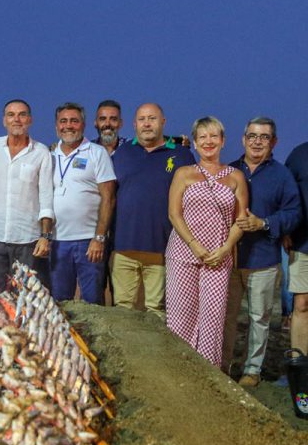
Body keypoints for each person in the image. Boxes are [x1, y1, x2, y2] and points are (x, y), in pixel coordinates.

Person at [221, 118, 301, 385]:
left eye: (264, 137)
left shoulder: (282, 175)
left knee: (259, 318)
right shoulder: (228, 170)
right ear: (243, 139)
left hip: (263, 258)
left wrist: (264, 223)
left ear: (273, 142)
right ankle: (221, 365)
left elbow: (293, 212)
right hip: (229, 259)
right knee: (225, 316)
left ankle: (252, 370)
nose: (257, 142)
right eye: (252, 136)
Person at [165, 117, 248, 366]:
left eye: (213, 136)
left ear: (222, 141)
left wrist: (226, 249)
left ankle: (208, 373)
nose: (208, 141)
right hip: (183, 254)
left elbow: (241, 219)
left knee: (213, 318)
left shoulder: (235, 176)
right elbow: (174, 214)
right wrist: (194, 245)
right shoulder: (183, 173)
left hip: (218, 258)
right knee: (181, 316)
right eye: (202, 137)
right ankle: (180, 370)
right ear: (195, 142)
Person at [111, 103, 195, 317]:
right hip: (124, 248)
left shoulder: (181, 155)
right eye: (142, 119)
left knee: (156, 312)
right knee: (122, 310)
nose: (147, 124)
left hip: (162, 248)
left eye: (152, 118)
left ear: (163, 122)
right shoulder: (122, 153)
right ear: (134, 124)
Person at [0, 99, 54, 291]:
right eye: (11, 115)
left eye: (22, 115)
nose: (17, 119)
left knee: (26, 296)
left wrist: (45, 236)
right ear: (4, 120)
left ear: (30, 120)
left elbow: (46, 197)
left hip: (28, 240)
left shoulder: (41, 152)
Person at [50, 102, 116, 304]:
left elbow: (109, 197)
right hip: (57, 241)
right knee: (59, 304)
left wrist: (99, 237)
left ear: (83, 125)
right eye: (63, 121)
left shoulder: (97, 152)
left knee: (92, 303)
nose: (68, 126)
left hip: (89, 241)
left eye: (74, 121)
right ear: (56, 126)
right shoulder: (49, 155)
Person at [285, 138, 308, 357]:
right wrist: (285, 231)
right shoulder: (299, 155)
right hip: (303, 242)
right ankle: (299, 365)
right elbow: (286, 196)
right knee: (302, 304)